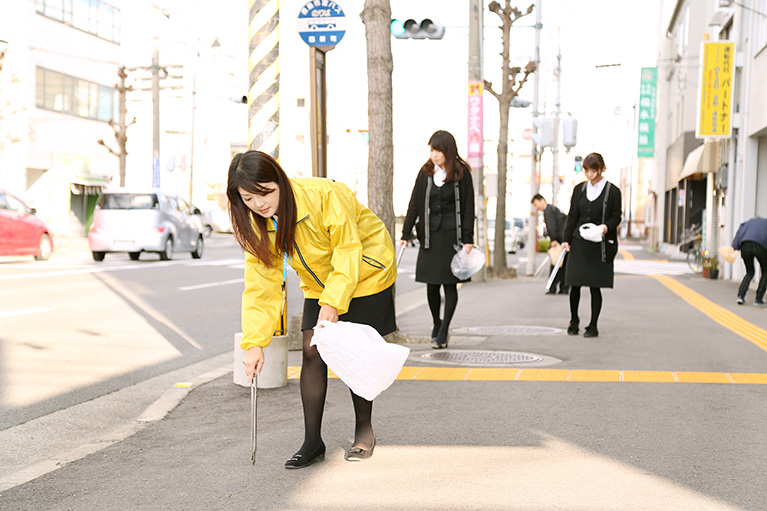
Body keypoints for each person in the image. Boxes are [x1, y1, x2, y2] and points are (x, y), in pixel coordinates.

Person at [229, 150, 397, 468]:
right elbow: (260, 287)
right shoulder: (258, 222)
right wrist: (254, 343)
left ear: (279, 180)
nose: (259, 203)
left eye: (265, 192)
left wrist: (332, 303)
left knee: (353, 352)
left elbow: (348, 250)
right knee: (311, 351)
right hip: (321, 281)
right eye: (248, 198)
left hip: (366, 270)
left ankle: (364, 432)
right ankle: (312, 441)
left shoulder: (326, 195)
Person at [399, 130, 475, 349]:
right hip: (429, 237)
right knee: (431, 286)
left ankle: (444, 331)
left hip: (453, 237)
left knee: (450, 286)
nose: (434, 154)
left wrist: (468, 238)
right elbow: (414, 202)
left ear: (447, 151)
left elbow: (468, 207)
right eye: (432, 150)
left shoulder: (462, 174)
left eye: (438, 150)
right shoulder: (426, 173)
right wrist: (405, 233)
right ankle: (436, 323)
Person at [561, 152, 622, 338]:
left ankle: (593, 325)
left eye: (594, 171)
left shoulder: (613, 191)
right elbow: (572, 216)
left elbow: (616, 216)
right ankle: (574, 321)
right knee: (574, 284)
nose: (590, 175)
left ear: (602, 169)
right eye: (587, 171)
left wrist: (605, 227)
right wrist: (566, 239)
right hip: (579, 242)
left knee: (595, 286)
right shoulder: (579, 189)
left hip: (599, 243)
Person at [531, 193, 569, 295]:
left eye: (536, 204)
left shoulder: (548, 211)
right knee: (564, 265)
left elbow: (552, 226)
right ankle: (564, 287)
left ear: (542, 200)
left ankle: (552, 287)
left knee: (556, 264)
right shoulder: (554, 209)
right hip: (565, 239)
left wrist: (553, 240)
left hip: (558, 241)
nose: (536, 207)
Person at [731, 217, 767, 305]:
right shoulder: (765, 223)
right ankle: (758, 299)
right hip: (759, 246)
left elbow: (739, 234)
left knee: (750, 272)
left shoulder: (747, 223)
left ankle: (740, 296)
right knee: (765, 272)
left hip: (745, 245)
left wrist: (734, 247)